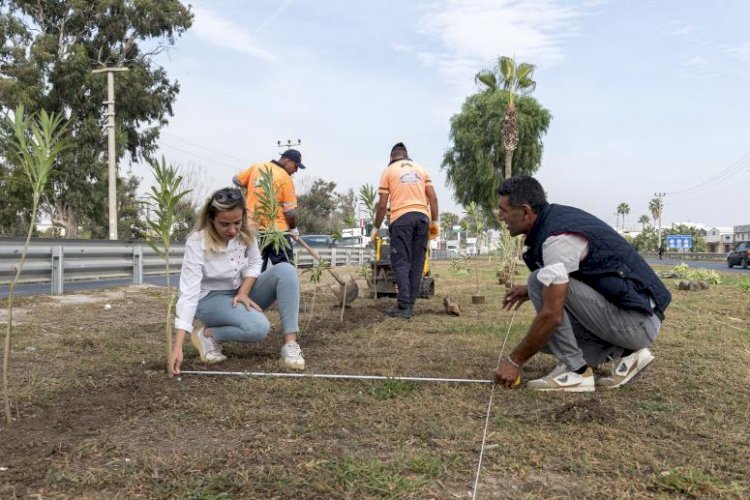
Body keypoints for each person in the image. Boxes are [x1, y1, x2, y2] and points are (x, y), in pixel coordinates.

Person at [494, 176, 670, 392]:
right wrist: (528, 291)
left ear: (525, 211)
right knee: (548, 339)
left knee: (539, 288)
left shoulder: (556, 238)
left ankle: (577, 373)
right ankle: (629, 354)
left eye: (503, 210)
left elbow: (551, 315)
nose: (500, 217)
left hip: (638, 323)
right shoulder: (556, 219)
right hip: (639, 317)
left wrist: (514, 362)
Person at [169, 187, 305, 376]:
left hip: (240, 292)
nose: (232, 230)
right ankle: (207, 335)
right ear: (211, 220)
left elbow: (256, 262)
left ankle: (290, 345)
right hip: (210, 300)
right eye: (224, 224)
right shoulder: (197, 242)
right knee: (258, 328)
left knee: (286, 270)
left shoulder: (245, 233)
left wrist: (243, 291)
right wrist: (177, 346)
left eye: (237, 223)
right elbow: (189, 294)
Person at [371, 142, 439, 319]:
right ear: (406, 156)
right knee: (417, 262)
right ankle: (409, 305)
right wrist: (435, 222)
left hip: (401, 220)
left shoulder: (389, 171)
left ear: (391, 159)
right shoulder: (421, 169)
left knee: (401, 262)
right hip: (422, 218)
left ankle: (403, 307)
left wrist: (375, 228)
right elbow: (433, 198)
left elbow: (382, 206)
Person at [233, 149, 306, 271]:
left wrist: (253, 186)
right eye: (296, 165)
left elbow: (236, 180)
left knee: (254, 269)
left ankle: (255, 290)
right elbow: (290, 211)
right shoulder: (285, 179)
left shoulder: (257, 167)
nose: (296, 170)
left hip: (252, 229)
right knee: (285, 269)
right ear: (287, 160)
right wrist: (293, 228)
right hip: (277, 232)